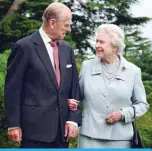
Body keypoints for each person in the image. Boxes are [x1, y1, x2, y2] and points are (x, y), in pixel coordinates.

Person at [4, 2, 82, 148]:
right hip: (34, 132)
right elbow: (13, 89)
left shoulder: (67, 50)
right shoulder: (24, 47)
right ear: (52, 22)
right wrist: (14, 124)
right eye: (66, 24)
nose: (69, 29)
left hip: (61, 132)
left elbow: (74, 87)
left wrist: (73, 120)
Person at [68, 24, 149, 148]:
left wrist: (123, 114)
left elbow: (142, 105)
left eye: (102, 42)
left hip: (121, 140)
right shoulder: (87, 66)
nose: (97, 45)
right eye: (96, 41)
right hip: (89, 137)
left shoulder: (133, 71)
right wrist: (72, 102)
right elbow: (77, 96)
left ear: (115, 45)